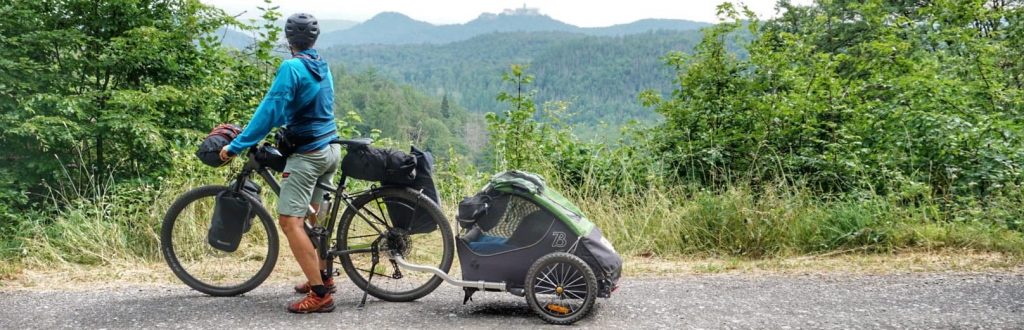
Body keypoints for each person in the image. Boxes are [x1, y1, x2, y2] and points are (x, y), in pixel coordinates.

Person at [219, 13, 339, 313]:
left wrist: (237, 144)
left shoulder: (291, 67)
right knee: (315, 218)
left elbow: (270, 110)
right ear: (314, 39)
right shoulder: (321, 65)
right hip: (330, 149)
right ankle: (324, 275)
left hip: (308, 155)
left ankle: (320, 293)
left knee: (289, 221)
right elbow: (312, 105)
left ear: (289, 40)